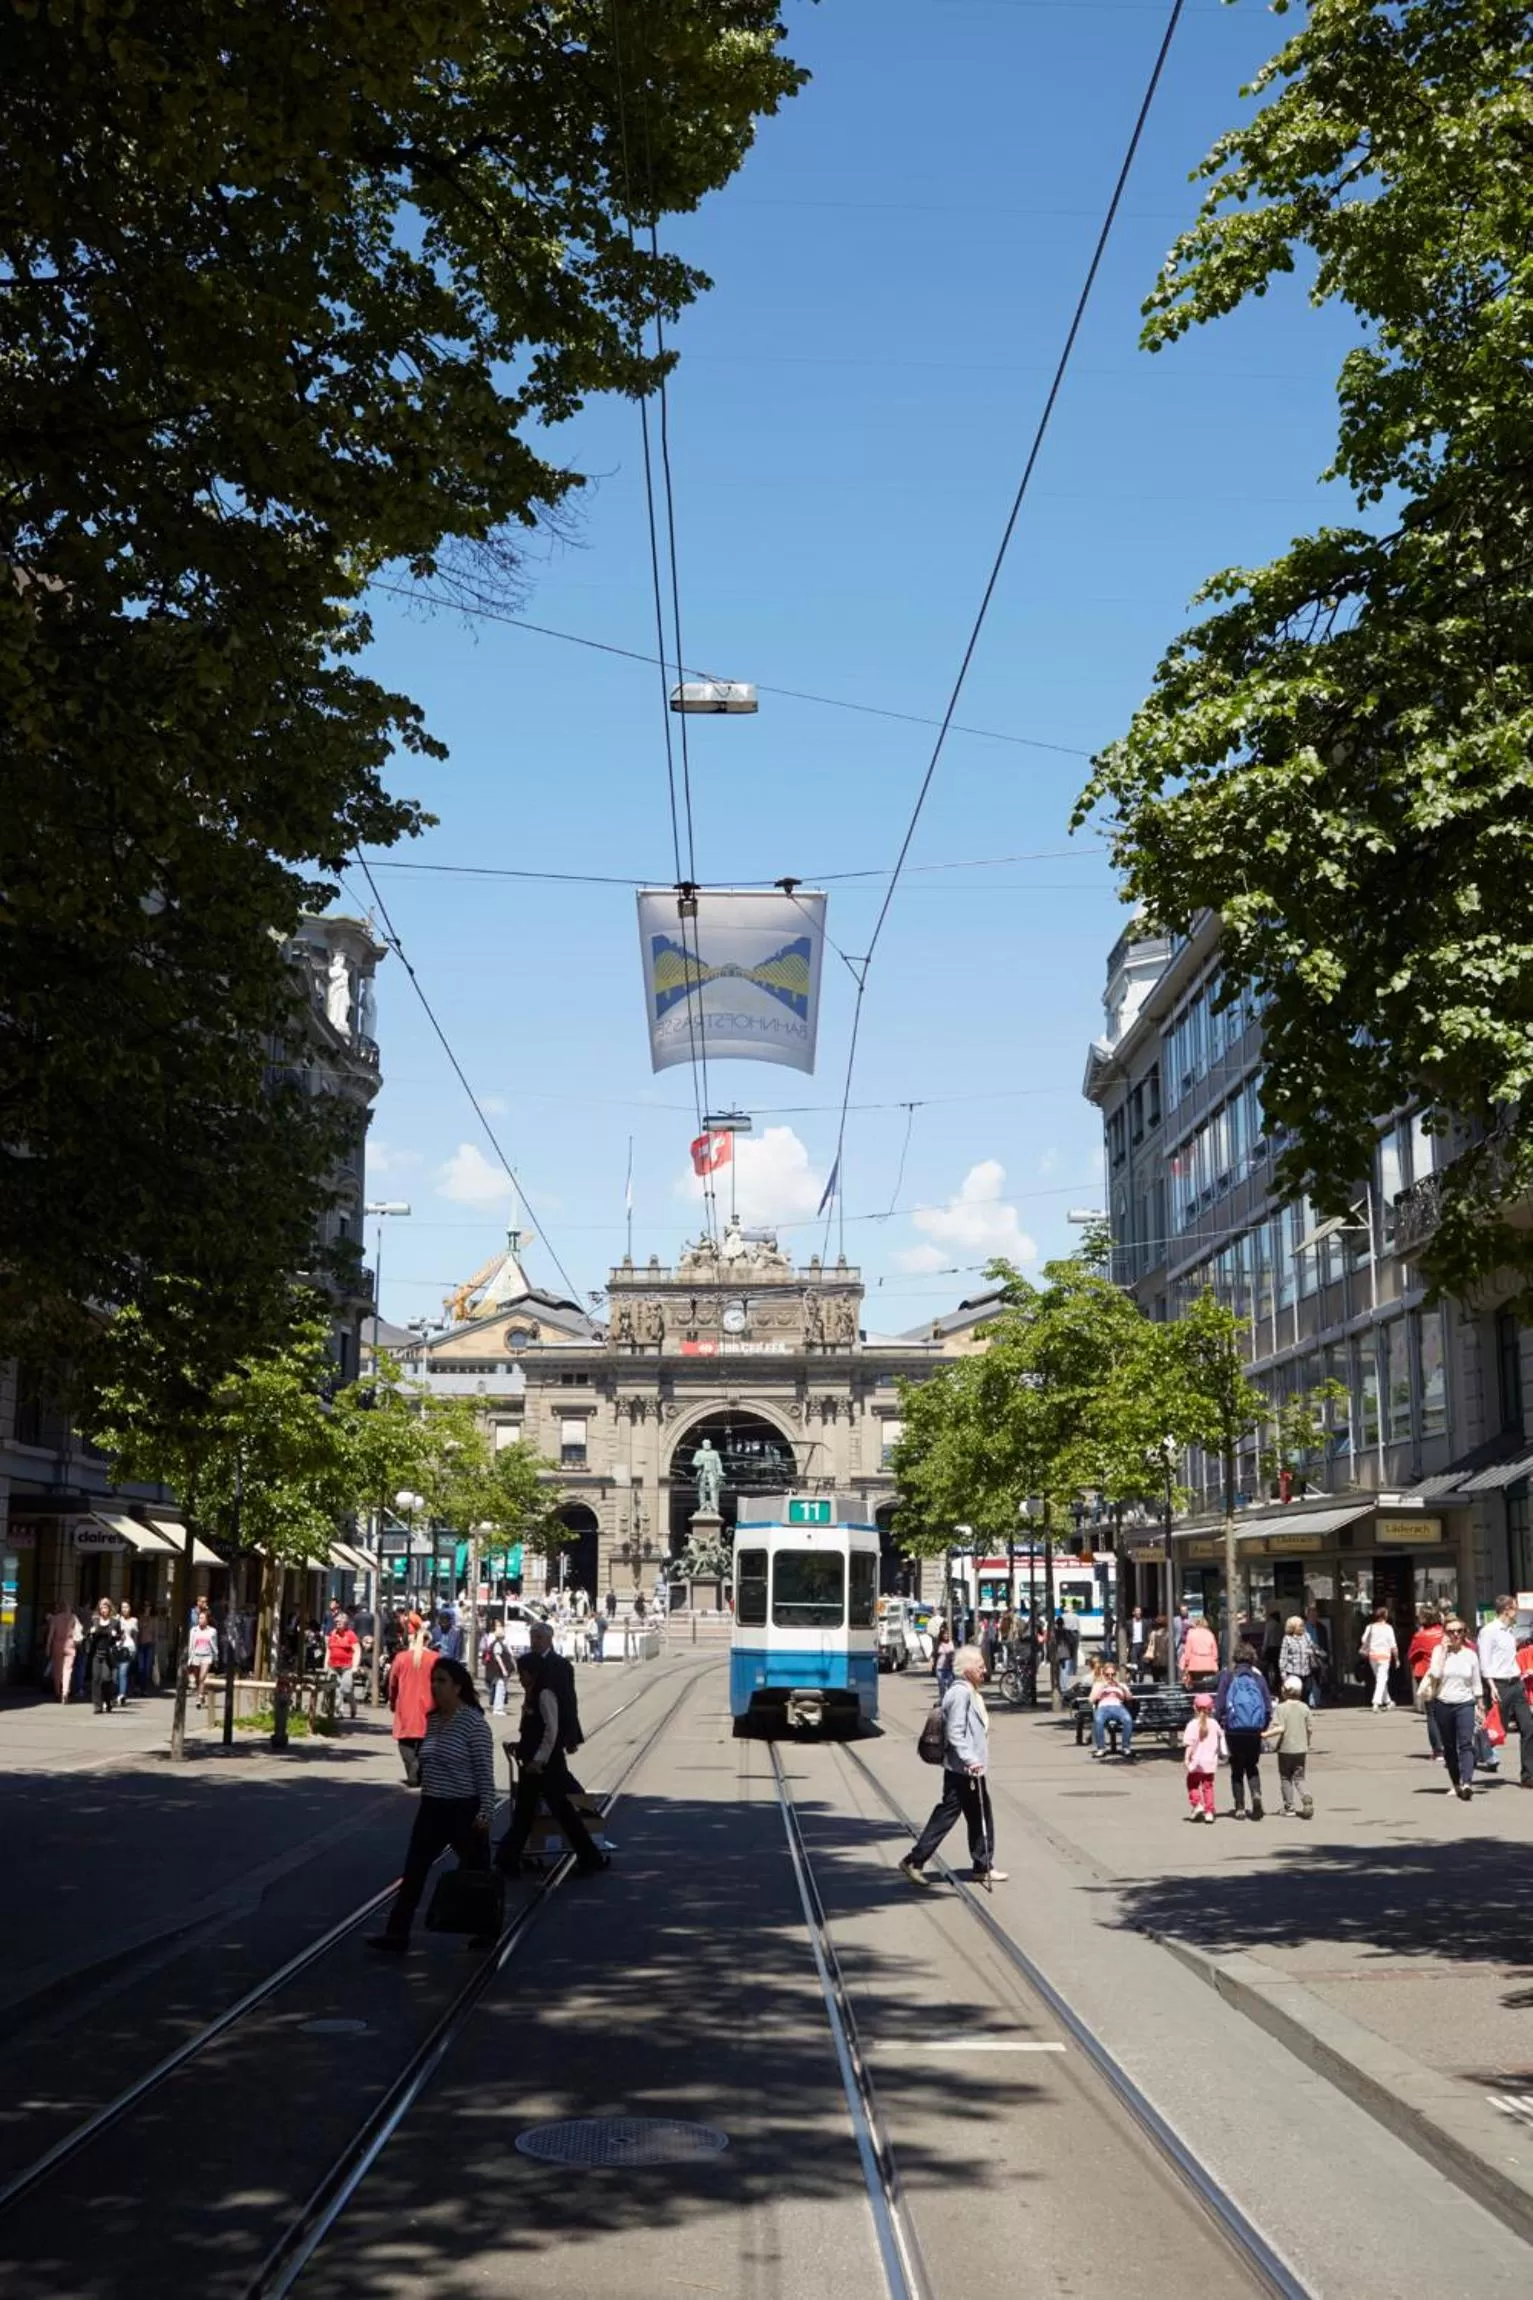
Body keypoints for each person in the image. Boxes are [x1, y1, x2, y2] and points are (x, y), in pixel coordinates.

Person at [369, 1658, 496, 1952]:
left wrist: (486, 1810)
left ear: (457, 1687)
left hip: (464, 1809)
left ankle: (486, 1929)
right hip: (432, 1808)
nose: (435, 1687)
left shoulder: (474, 1724)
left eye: (442, 1681)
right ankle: (397, 1933)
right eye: (433, 1681)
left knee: (476, 1872)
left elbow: (484, 1772)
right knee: (414, 1870)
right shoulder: (434, 1720)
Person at [900, 1644, 1006, 1891]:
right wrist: (971, 1759)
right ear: (967, 1670)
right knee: (948, 1816)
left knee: (978, 1815)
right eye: (980, 1666)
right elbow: (955, 1732)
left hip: (968, 1769)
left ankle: (982, 1865)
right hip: (963, 1770)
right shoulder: (961, 1694)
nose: (985, 1670)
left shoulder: (969, 1691)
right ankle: (914, 1860)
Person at [494, 1653, 609, 1881]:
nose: (520, 1678)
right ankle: (506, 1860)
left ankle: (589, 1857)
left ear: (533, 1673)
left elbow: (551, 1730)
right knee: (526, 1815)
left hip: (546, 1768)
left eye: (523, 1673)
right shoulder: (532, 1694)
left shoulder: (545, 1694)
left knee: (559, 1813)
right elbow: (532, 1731)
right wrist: (521, 1747)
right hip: (532, 1766)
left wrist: (539, 1759)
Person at [1421, 1618, 1486, 1801]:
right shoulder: (1438, 1651)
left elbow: (1476, 1681)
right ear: (1445, 1634)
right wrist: (1443, 1651)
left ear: (1464, 1633)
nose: (1455, 1635)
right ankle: (1456, 1782)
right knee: (1449, 1746)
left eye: (1459, 1631)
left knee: (1466, 1743)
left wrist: (1480, 1703)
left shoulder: (1470, 1655)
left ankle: (1467, 1783)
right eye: (1451, 1631)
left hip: (1465, 1703)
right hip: (1443, 1703)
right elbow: (1435, 1673)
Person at [1478, 1595, 1533, 1790]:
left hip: (1516, 1683)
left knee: (1529, 1727)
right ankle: (1469, 1754)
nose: (1517, 1612)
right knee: (1495, 1730)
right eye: (1515, 1608)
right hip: (1499, 1685)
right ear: (1507, 1610)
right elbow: (1484, 1662)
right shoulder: (1489, 1632)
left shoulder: (1510, 1631)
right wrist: (1491, 1686)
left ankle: (1528, 1775)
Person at [1215, 1643, 1273, 1818]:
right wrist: (1262, 1727)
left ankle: (1240, 1806)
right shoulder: (1258, 1678)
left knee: (1237, 1769)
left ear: (1235, 1658)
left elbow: (1220, 1705)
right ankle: (1256, 1793)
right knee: (1252, 1766)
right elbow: (1267, 1707)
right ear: (1252, 1658)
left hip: (1233, 1729)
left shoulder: (1228, 1677)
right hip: (1254, 1730)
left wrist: (1220, 1724)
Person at [388, 1612, 435, 1786]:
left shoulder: (401, 1658)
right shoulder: (435, 1659)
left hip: (406, 1704)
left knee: (405, 1740)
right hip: (430, 1705)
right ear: (428, 1642)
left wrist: (392, 1701)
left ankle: (412, 1768)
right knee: (425, 1739)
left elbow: (392, 1683)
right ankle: (420, 1768)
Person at [1264, 1676, 1314, 1817]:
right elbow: (1310, 1729)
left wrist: (1264, 1735)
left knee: (1286, 1777)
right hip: (1301, 1749)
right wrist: (1307, 1742)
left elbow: (1278, 1728)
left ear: (1285, 1691)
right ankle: (1305, 1795)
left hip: (1285, 1749)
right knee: (1299, 1777)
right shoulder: (1305, 1708)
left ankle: (1289, 1806)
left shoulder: (1281, 1708)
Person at [1408, 1606, 1446, 1760]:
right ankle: (1450, 1746)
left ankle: (1438, 1749)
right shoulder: (1446, 1633)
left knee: (1432, 1713)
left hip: (1426, 1675)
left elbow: (1411, 1655)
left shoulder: (1420, 1636)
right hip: (1446, 1674)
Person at [1182, 1693, 1225, 1823]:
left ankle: (1197, 1804)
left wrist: (1186, 1758)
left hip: (1196, 1762)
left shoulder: (1192, 1724)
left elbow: (1189, 1744)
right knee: (1208, 1787)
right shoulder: (1214, 1723)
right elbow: (1221, 1735)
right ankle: (1209, 1812)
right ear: (1211, 1709)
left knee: (1192, 1784)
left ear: (1195, 1707)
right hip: (1210, 1762)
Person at [1089, 1658, 1135, 1760]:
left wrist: (1121, 1687)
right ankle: (1101, 1748)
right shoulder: (1098, 1684)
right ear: (1103, 1674)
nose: (1110, 1677)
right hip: (1103, 1706)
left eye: (1112, 1674)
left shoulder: (1121, 1684)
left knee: (1127, 1719)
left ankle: (1126, 1747)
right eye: (1107, 1675)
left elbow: (1129, 1698)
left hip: (1118, 1706)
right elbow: (1091, 1700)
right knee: (1098, 1720)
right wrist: (1102, 1688)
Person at [84, 1597, 123, 1714]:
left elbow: (120, 1637)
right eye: (101, 1607)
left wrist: (116, 1636)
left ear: (109, 1608)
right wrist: (90, 1632)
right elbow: (87, 1634)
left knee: (106, 1679)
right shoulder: (95, 1621)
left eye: (105, 1607)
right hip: (96, 1654)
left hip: (108, 1654)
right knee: (96, 1679)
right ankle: (97, 1706)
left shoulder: (115, 1622)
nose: (103, 1610)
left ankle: (108, 1700)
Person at [325, 1609, 362, 1720]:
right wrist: (325, 1664)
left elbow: (357, 1650)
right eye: (336, 1621)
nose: (337, 1623)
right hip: (333, 1666)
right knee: (335, 1689)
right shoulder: (332, 1634)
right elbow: (329, 1650)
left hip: (347, 1666)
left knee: (346, 1689)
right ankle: (338, 1711)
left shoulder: (350, 1635)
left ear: (346, 1623)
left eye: (340, 1621)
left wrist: (355, 1666)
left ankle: (353, 1707)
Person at [1361, 1606, 1398, 1709]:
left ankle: (1388, 1701)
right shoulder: (1388, 1628)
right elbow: (1393, 1645)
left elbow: (1364, 1640)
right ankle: (1376, 1701)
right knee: (1382, 1679)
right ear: (1385, 1616)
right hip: (1385, 1656)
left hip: (1373, 1656)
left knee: (1380, 1678)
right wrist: (1397, 1659)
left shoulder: (1370, 1627)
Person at [45, 1603, 81, 1705]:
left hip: (57, 1644)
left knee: (57, 1670)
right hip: (70, 1644)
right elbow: (78, 1631)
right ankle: (65, 1692)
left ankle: (57, 1692)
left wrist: (48, 1647)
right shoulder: (73, 1617)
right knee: (68, 1670)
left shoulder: (55, 1618)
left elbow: (51, 1634)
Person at [1277, 1616, 1313, 1708]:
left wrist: (1311, 1652)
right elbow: (1283, 1657)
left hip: (1306, 1671)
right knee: (1295, 1696)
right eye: (1300, 1626)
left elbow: (1312, 1648)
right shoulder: (1287, 1639)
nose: (1302, 1627)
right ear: (1293, 1627)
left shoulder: (1307, 1636)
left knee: (1307, 1691)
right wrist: (1283, 1675)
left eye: (1303, 1625)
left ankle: (1304, 1711)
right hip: (1293, 1672)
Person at [482, 1621, 516, 1716]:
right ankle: (498, 1708)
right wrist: (504, 1669)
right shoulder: (498, 1644)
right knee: (500, 1689)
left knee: (500, 1689)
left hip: (497, 1671)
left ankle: (498, 1708)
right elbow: (498, 1657)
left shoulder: (498, 1643)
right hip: (498, 1671)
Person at [1180, 1613, 1220, 1690]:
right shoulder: (1210, 1634)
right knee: (1207, 1685)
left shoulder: (1191, 1634)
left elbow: (1187, 1651)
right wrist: (1214, 1661)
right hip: (1209, 1664)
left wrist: (1186, 1664)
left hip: (1195, 1664)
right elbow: (1215, 1652)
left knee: (1195, 1685)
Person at [187, 1605, 219, 1694]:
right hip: (196, 1656)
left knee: (202, 1677)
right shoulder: (193, 1630)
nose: (200, 1620)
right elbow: (191, 1645)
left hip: (207, 1657)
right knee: (197, 1678)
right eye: (199, 1618)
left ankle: (199, 1696)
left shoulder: (212, 1631)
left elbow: (214, 1645)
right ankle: (200, 1691)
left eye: (202, 1618)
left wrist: (216, 1657)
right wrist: (190, 1658)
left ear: (207, 1620)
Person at [115, 1598, 139, 1708]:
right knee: (116, 1674)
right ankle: (117, 1693)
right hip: (117, 1648)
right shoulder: (117, 1619)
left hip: (128, 1648)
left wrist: (135, 1649)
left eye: (127, 1607)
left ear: (130, 1608)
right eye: (123, 1607)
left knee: (123, 1672)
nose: (124, 1609)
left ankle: (122, 1695)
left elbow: (135, 1636)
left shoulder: (134, 1620)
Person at [1051, 1610, 1080, 1697]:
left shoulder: (1054, 1632)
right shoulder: (1066, 1631)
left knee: (1059, 1670)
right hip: (1065, 1653)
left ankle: (1060, 1685)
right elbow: (1071, 1641)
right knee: (1065, 1670)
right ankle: (1064, 1687)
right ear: (1063, 1623)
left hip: (1056, 1653)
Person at [1260, 1608, 1285, 1692]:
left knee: (1267, 1667)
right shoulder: (1281, 1626)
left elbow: (1266, 1638)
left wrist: (1263, 1650)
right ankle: (1277, 1683)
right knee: (1277, 1667)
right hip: (1278, 1648)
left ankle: (1268, 1684)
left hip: (1270, 1648)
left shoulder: (1269, 1625)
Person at [932, 1617, 955, 1692]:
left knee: (950, 1686)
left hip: (949, 1668)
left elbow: (953, 1654)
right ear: (941, 1635)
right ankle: (943, 1698)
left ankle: (949, 1698)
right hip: (940, 1668)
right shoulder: (938, 1643)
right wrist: (932, 1663)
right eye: (945, 1634)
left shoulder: (951, 1643)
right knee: (942, 1687)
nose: (946, 1635)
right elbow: (934, 1654)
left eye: (947, 1634)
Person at [1128, 1606, 1148, 1671]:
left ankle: (1141, 1676)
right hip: (1134, 1645)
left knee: (1142, 1663)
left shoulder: (1145, 1622)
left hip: (1143, 1644)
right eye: (1137, 1611)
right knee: (1134, 1663)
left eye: (1139, 1611)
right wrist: (1127, 1646)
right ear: (1133, 1613)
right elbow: (1127, 1634)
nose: (1139, 1612)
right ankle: (1134, 1676)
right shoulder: (1129, 1623)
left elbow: (1148, 1632)